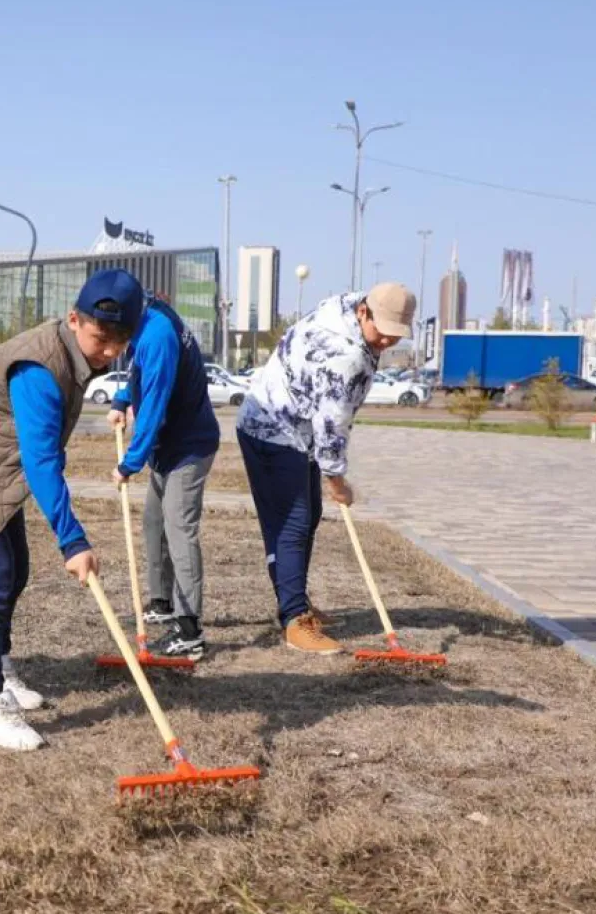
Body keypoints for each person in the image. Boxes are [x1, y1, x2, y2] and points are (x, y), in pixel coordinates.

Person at [0, 269, 141, 751]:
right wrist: (73, 540)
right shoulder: (40, 367)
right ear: (74, 319)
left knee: (15, 569)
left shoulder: (74, 353)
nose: (108, 352)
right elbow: (42, 461)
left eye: (119, 342)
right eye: (100, 338)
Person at [236, 282, 415, 655]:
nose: (385, 341)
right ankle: (295, 620)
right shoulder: (344, 355)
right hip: (274, 429)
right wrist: (337, 481)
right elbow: (331, 424)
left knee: (307, 516)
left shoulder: (346, 309)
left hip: (291, 429)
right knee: (293, 522)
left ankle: (294, 599)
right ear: (364, 312)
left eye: (394, 336)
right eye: (381, 331)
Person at [105, 291, 220, 660]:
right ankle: (162, 602)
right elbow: (143, 373)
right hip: (168, 448)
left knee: (179, 528)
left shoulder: (158, 335)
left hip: (188, 448)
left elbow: (152, 409)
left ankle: (190, 629)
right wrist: (122, 398)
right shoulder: (149, 318)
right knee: (154, 521)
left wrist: (129, 464)